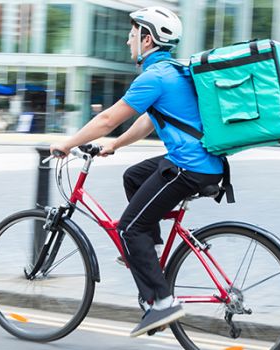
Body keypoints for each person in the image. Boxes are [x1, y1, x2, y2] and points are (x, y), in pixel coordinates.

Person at [50, 6, 224, 337]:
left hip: (188, 167)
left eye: (132, 35)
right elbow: (148, 120)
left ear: (147, 39)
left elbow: (106, 119)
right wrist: (115, 146)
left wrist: (67, 143)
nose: (128, 40)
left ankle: (161, 302)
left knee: (129, 227)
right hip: (202, 163)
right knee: (133, 176)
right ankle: (149, 249)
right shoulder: (172, 71)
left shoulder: (154, 77)